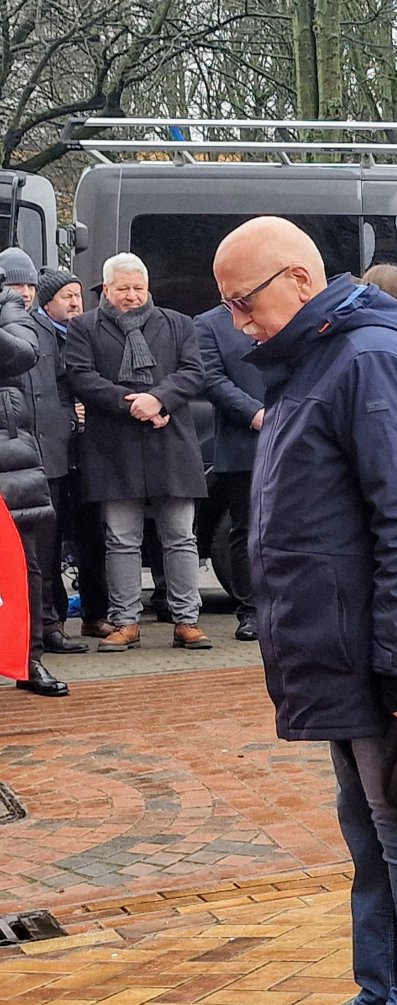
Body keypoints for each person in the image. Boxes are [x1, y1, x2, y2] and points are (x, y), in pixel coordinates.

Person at [211, 216, 397, 1005]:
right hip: (340, 638)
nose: (239, 322)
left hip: (381, 642)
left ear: (299, 279)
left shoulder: (365, 358)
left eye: (245, 301)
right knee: (367, 824)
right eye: (228, 306)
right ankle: (386, 986)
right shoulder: (320, 356)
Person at [62, 253, 211, 652]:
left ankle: (187, 620)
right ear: (106, 289)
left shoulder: (178, 324)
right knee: (121, 539)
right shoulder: (84, 327)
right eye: (123, 288)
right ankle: (125, 621)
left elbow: (193, 372)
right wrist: (133, 404)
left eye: (138, 288)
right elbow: (81, 377)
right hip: (113, 446)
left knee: (180, 537)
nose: (131, 296)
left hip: (172, 442)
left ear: (148, 288)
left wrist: (159, 399)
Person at [7, 255, 83, 661]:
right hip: (11, 455)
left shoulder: (47, 333)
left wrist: (68, 420)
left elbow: (63, 384)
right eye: (15, 285)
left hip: (46, 455)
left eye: (30, 286)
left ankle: (49, 625)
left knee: (47, 550)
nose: (24, 293)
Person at [0, 249, 64, 695]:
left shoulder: (10, 306)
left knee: (23, 563)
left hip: (8, 455)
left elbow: (24, 353)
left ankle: (28, 660)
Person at [194, 304, 267, 641]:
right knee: (247, 529)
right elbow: (211, 378)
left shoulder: (281, 311)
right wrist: (253, 413)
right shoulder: (208, 324)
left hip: (295, 436)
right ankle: (251, 611)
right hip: (243, 442)